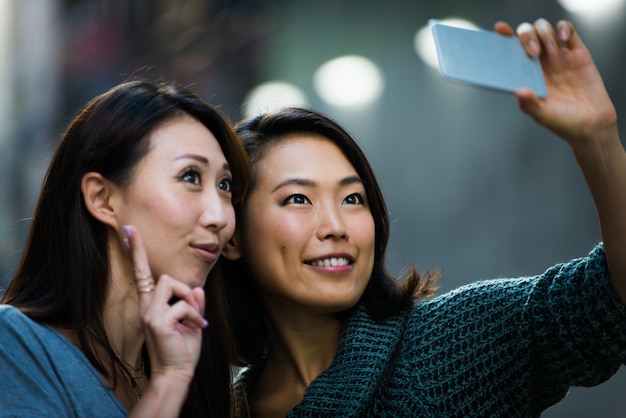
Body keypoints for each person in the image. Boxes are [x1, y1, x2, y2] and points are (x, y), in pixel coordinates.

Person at [221, 18, 626, 417]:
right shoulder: (220, 404)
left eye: (353, 198)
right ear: (233, 235)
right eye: (297, 198)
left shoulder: (450, 342)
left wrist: (599, 140)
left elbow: (607, 297)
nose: (336, 227)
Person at [0, 79, 248, 417]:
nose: (220, 216)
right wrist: (167, 388)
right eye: (190, 176)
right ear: (103, 199)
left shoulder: (200, 371)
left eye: (225, 186)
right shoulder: (16, 346)